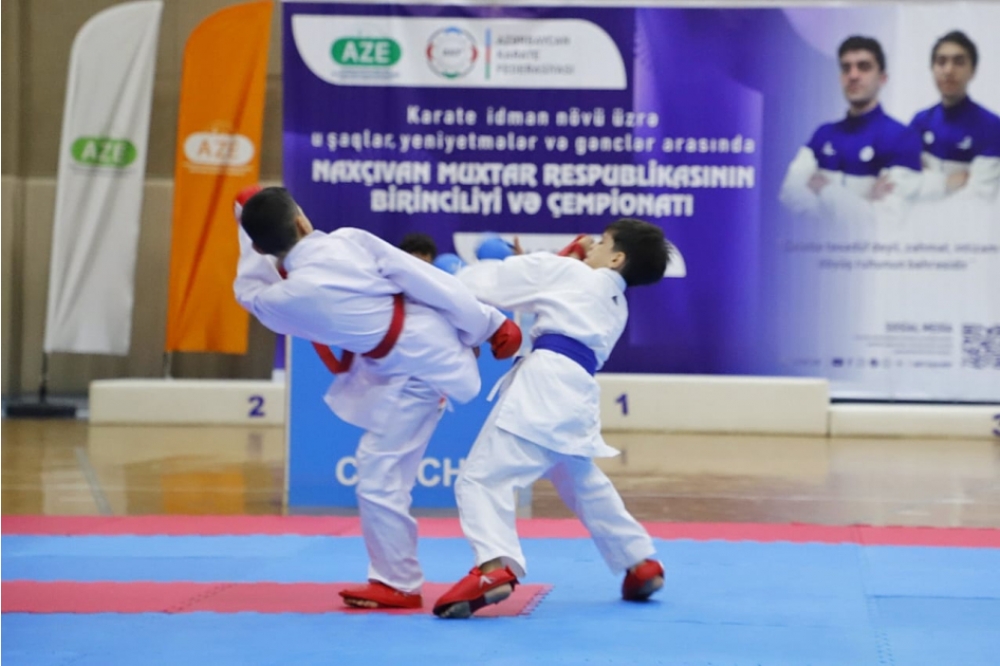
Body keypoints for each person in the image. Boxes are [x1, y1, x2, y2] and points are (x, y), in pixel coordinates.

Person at [233, 186, 522, 609]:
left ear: (260, 247)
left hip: (417, 368)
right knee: (381, 471)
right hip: (420, 353)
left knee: (380, 473)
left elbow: (248, 289)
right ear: (301, 220)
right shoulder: (348, 242)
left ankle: (398, 582)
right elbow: (424, 278)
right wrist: (490, 324)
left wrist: (242, 221)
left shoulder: (281, 299)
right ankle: (397, 579)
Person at [431, 218, 671, 619]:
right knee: (580, 480)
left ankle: (494, 567)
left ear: (617, 257)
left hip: (545, 385)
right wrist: (558, 261)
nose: (590, 246)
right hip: (577, 395)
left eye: (602, 242)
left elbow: (494, 283)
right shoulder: (616, 303)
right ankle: (639, 561)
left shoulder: (571, 274)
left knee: (481, 480)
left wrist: (455, 272)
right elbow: (547, 289)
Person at [780, 36, 923, 222]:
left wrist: (825, 189)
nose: (853, 75)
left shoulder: (903, 138)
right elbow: (788, 194)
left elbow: (886, 221)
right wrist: (863, 205)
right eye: (846, 68)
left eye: (863, 67)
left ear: (882, 79)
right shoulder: (823, 134)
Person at [909, 31, 1000, 201]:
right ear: (932, 69)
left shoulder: (992, 127)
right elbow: (904, 184)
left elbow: (980, 197)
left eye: (959, 62)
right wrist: (946, 184)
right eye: (941, 61)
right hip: (919, 216)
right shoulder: (919, 122)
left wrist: (927, 182)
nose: (949, 70)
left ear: (973, 70)